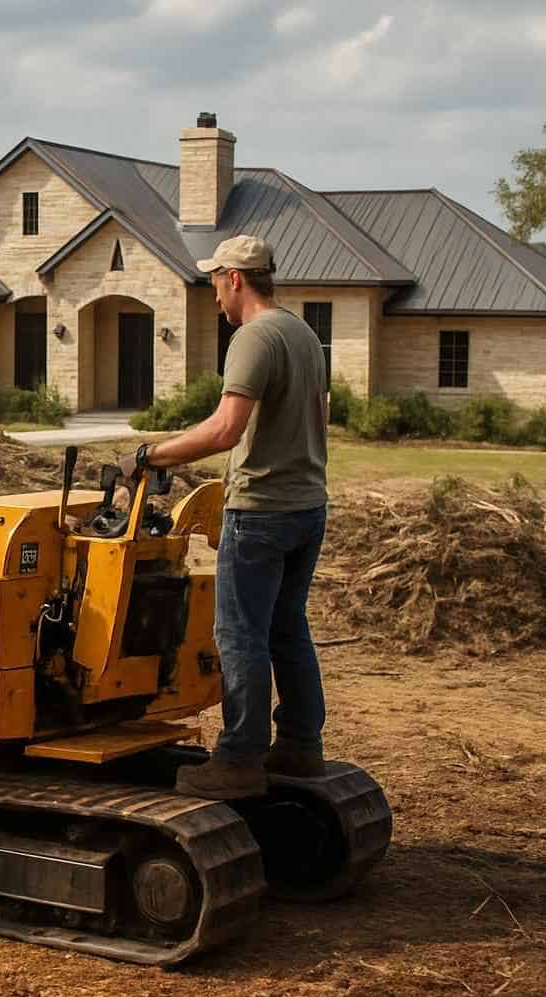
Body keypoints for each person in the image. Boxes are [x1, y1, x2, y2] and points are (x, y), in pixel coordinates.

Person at [116, 234, 329, 800]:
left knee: (239, 635)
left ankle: (238, 759)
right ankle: (303, 746)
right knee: (288, 627)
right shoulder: (303, 333)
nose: (213, 295)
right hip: (308, 506)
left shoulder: (254, 337)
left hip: (260, 511)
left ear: (235, 278)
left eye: (214, 281)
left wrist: (149, 455)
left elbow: (225, 429)